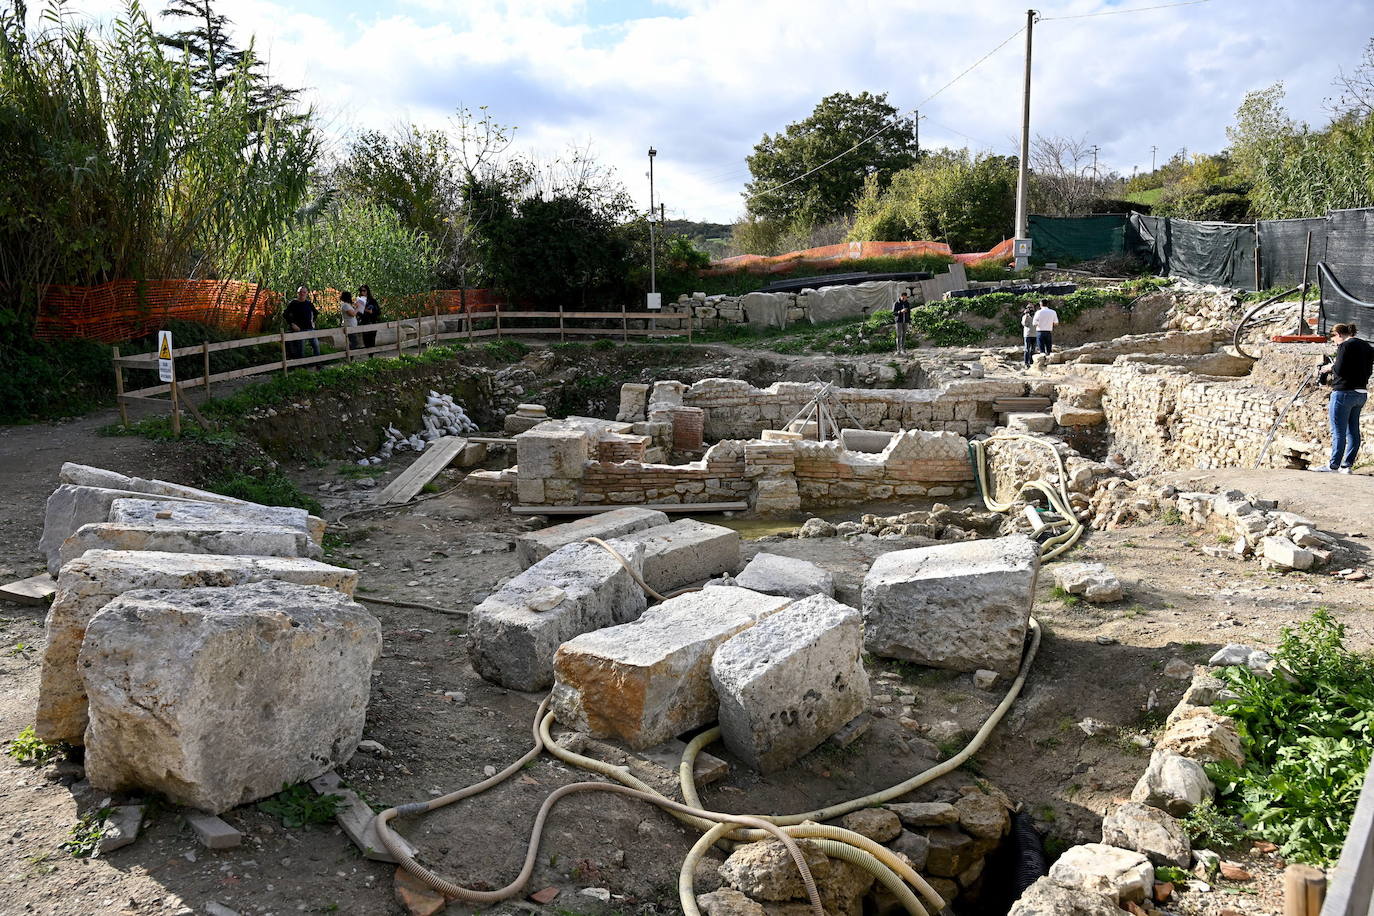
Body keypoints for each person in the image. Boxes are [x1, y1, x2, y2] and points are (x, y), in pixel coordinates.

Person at [1312, 323, 1371, 474]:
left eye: (1332, 338)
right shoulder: (1366, 345)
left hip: (1343, 393)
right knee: (1353, 431)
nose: (1333, 341)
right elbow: (1368, 369)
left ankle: (1333, 466)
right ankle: (1347, 466)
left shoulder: (1344, 346)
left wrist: (1328, 368)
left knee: (1338, 431)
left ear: (1338, 334)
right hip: (1361, 393)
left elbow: (1339, 368)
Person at [282, 286, 319, 360]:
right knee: (300, 349)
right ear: (297, 293)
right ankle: (302, 367)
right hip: (299, 329)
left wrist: (313, 321)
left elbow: (316, 313)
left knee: (316, 345)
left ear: (307, 293)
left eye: (304, 292)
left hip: (309, 328)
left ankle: (318, 363)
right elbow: (285, 314)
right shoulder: (293, 303)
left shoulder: (309, 303)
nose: (302, 294)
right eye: (300, 292)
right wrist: (292, 324)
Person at [358, 285, 381, 349]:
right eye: (361, 291)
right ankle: (369, 356)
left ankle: (371, 357)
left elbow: (378, 312)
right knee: (365, 341)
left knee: (372, 340)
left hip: (372, 322)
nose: (362, 292)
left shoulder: (372, 301)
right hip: (364, 322)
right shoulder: (359, 301)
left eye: (364, 290)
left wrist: (372, 312)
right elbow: (358, 313)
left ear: (367, 291)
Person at [1021, 303, 1037, 368]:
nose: (1030, 309)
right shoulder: (1025, 317)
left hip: (1035, 334)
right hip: (1027, 335)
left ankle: (1031, 362)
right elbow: (1024, 324)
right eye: (1029, 308)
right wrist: (1026, 315)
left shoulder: (1036, 315)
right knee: (1027, 349)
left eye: (1031, 307)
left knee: (1033, 349)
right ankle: (1026, 363)